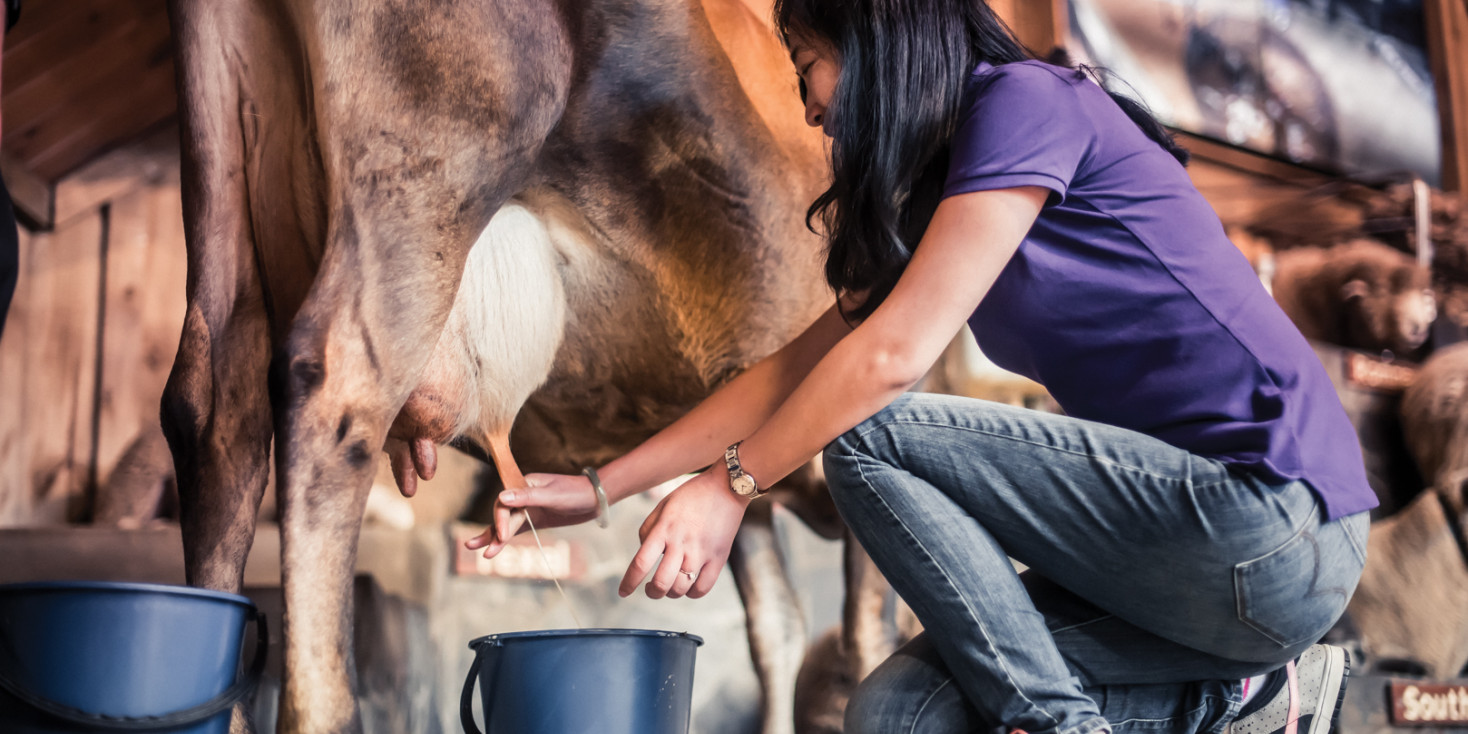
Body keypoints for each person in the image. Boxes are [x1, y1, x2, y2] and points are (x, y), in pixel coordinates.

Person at [470, 1, 1375, 733]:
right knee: (899, 713)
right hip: (1194, 576)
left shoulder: (1025, 103)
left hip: (1273, 521)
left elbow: (889, 362)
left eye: (808, 65)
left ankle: (1055, 727)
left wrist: (731, 485)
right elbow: (789, 372)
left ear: (874, 37)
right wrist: (599, 488)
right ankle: (1254, 703)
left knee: (866, 429)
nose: (809, 103)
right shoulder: (947, 190)